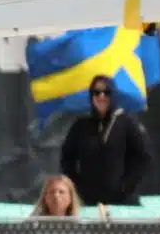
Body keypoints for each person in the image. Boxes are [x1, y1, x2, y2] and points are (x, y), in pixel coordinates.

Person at [58, 77, 152, 207]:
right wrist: (77, 187)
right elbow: (67, 158)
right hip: (88, 202)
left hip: (123, 202)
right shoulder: (81, 125)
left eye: (106, 92)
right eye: (96, 92)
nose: (101, 96)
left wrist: (125, 187)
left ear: (113, 95)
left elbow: (143, 158)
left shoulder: (127, 123)